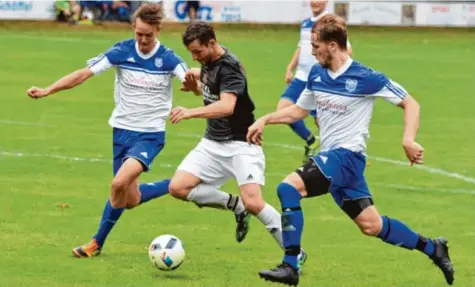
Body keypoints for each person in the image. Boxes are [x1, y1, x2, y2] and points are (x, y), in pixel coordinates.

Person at [248, 14, 454, 286]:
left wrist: (408, 139)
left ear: (332, 45)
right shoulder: (316, 74)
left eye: (316, 46)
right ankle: (433, 247)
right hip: (336, 164)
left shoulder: (366, 76)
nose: (312, 51)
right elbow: (298, 111)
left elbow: (411, 103)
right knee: (372, 226)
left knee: (288, 189)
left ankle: (290, 265)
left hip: (347, 158)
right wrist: (266, 119)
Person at [27, 4, 194, 258]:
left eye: (148, 35)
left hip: (149, 135)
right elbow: (84, 74)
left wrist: (193, 85)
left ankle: (95, 243)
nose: (143, 40)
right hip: (121, 132)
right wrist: (49, 89)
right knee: (130, 198)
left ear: (158, 30)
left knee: (118, 183)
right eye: (139, 34)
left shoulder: (169, 59)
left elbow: (192, 81)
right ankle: (176, 184)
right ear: (133, 29)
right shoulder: (121, 51)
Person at [167, 21, 307, 270]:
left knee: (255, 202)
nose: (195, 57)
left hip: (242, 144)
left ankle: (295, 252)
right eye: (191, 53)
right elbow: (211, 92)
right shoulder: (208, 63)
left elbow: (226, 106)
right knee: (177, 187)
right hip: (212, 143)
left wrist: (190, 112)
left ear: (212, 42)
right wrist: (195, 88)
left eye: (197, 51)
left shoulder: (230, 67)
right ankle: (236, 206)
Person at [279, 0, 352, 163]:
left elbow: (346, 49)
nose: (315, 2)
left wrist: (336, 71)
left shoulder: (330, 23)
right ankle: (311, 140)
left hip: (319, 79)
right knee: (282, 110)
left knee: (323, 121)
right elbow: (301, 47)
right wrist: (290, 67)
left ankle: (344, 153)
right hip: (301, 77)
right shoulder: (306, 23)